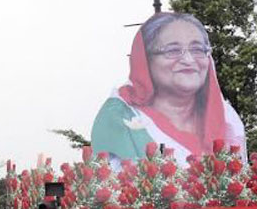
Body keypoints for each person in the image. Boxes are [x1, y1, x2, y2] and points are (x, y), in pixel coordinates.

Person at [91, 12, 247, 168]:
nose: (188, 60)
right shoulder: (119, 117)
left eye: (198, 50)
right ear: (145, 59)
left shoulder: (226, 118)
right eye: (172, 51)